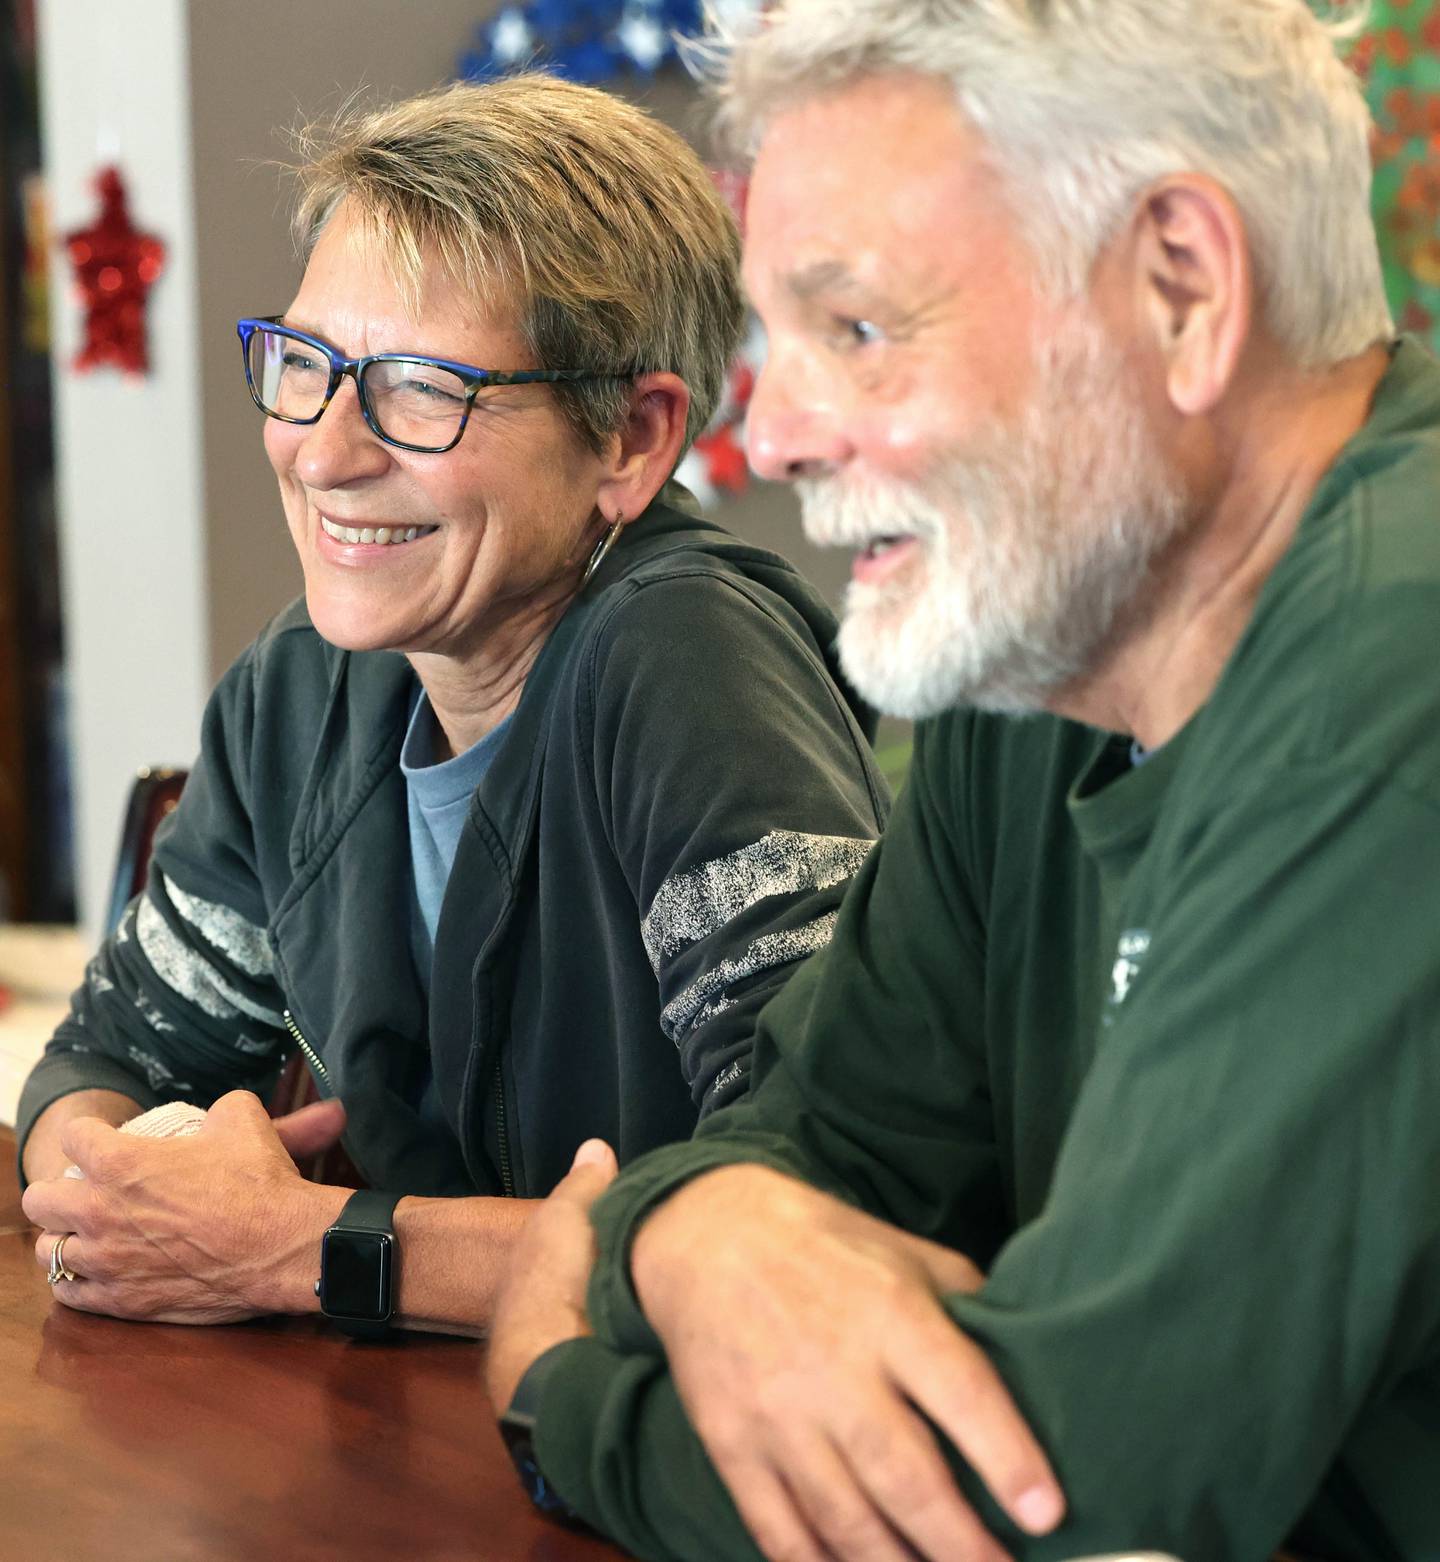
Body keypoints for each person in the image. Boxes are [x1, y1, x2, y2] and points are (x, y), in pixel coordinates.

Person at [484, 2, 1440, 1557]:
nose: (774, 432)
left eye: (855, 327)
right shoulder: (1048, 637)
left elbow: (1070, 1494)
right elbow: (823, 1148)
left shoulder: (1390, 679)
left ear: (1181, 288)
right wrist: (698, 1227)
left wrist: (557, 1392)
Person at [18, 74, 888, 1334]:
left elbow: (818, 1207)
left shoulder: (688, 653)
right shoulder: (302, 685)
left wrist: (303, 1244)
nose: (322, 450)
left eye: (422, 386)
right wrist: (114, 1194)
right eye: (307, 364)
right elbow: (104, 1060)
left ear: (632, 442)